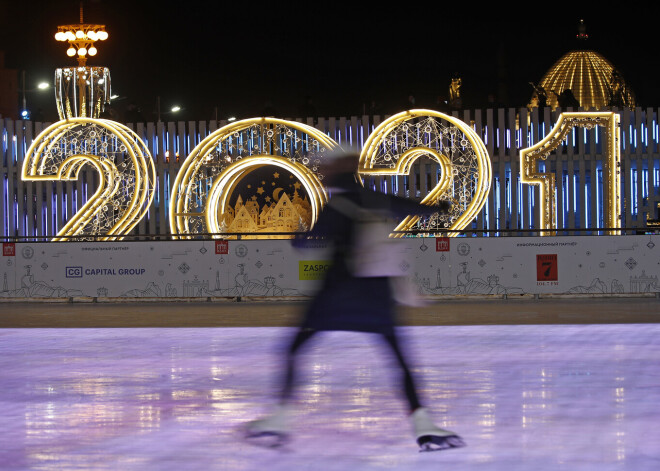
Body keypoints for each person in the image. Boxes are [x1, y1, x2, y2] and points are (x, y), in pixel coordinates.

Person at [245, 153, 465, 452]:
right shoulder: (375, 199)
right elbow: (415, 210)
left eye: (327, 167)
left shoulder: (336, 205)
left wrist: (297, 237)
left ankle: (280, 420)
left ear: (339, 169)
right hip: (377, 297)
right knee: (400, 359)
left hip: (337, 296)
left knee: (294, 348)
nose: (322, 171)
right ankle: (423, 425)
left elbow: (308, 241)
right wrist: (437, 207)